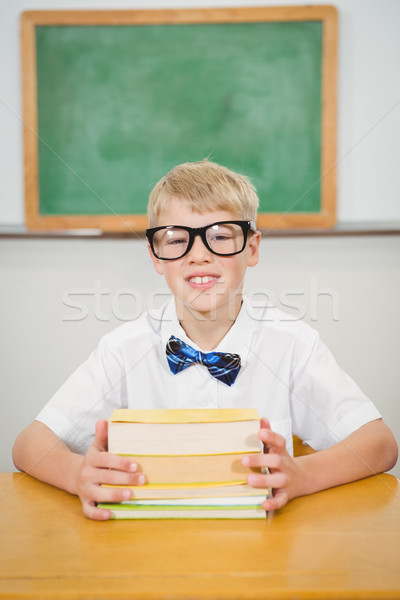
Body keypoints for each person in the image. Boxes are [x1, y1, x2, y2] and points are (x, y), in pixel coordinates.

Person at [13, 160, 398, 520]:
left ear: (252, 248)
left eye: (220, 236)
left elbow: (379, 444)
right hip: (146, 553)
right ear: (156, 256)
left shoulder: (293, 344)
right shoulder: (123, 349)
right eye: (177, 239)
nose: (199, 255)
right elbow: (29, 444)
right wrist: (77, 471)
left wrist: (303, 475)